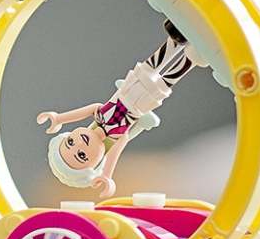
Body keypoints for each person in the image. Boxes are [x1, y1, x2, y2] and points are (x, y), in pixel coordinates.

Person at [37, 20, 198, 199]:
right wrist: (106, 176)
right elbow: (115, 154)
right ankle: (190, 60)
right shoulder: (118, 136)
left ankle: (174, 41)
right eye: (81, 155)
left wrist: (58, 118)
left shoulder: (99, 114)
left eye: (70, 142)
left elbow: (83, 112)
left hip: (128, 87)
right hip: (142, 103)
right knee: (165, 82)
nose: (80, 144)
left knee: (149, 67)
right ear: (96, 162)